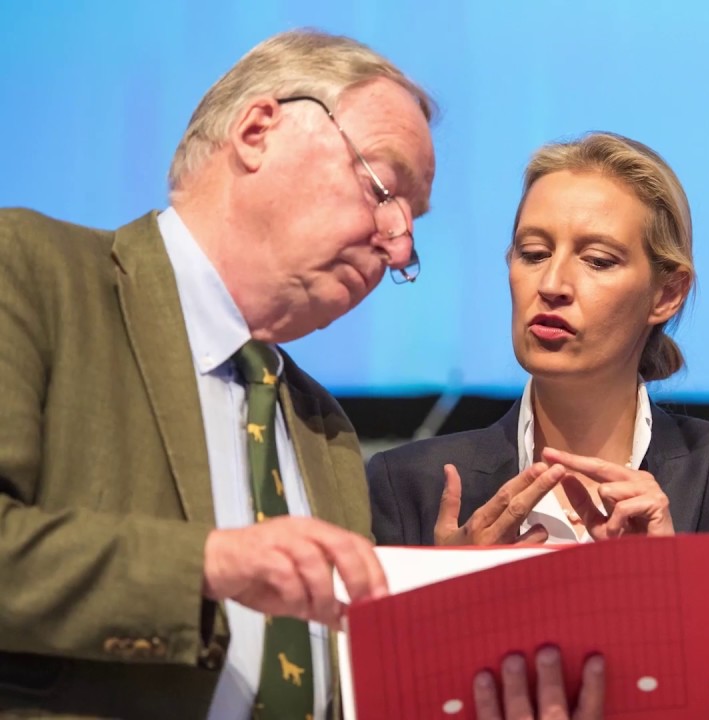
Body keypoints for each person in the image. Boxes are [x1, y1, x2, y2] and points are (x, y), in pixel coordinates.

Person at [0, 29, 434, 719]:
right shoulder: (31, 273)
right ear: (258, 130)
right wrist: (208, 565)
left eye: (415, 218)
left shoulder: (325, 429)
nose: (399, 240)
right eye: (383, 185)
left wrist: (445, 606)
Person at [367, 131, 709, 719]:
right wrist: (442, 614)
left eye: (597, 260)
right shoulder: (409, 483)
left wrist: (680, 594)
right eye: (533, 252)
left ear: (666, 293)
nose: (553, 285)